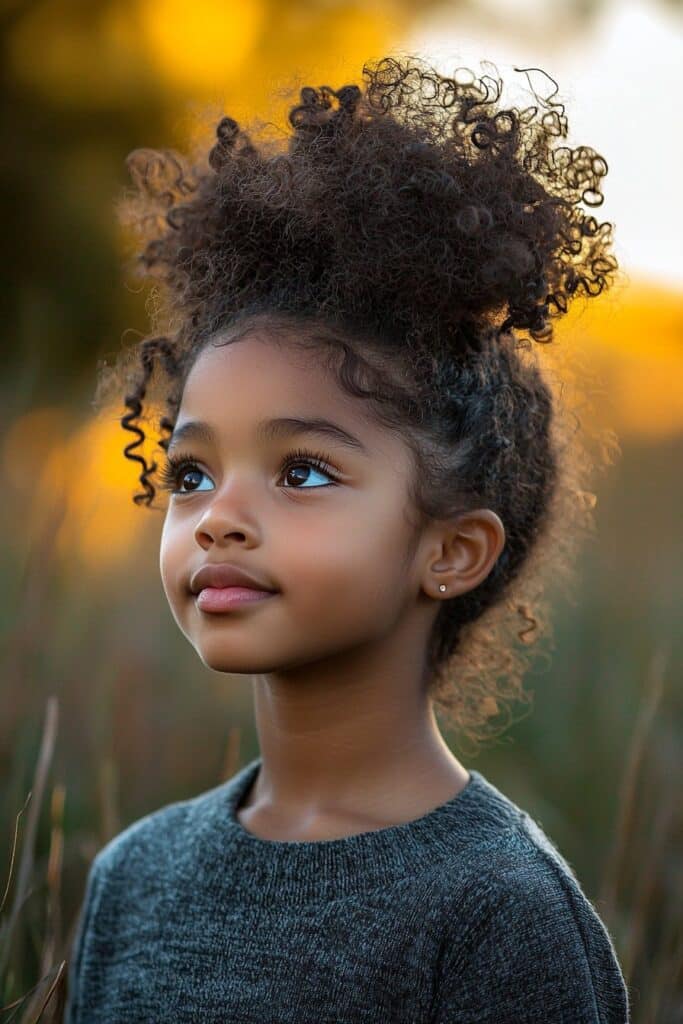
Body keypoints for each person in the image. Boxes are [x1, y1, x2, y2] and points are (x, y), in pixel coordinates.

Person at [65, 54, 629, 1022]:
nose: (218, 516)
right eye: (191, 474)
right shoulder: (133, 876)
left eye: (302, 472)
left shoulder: (499, 914)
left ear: (449, 551)